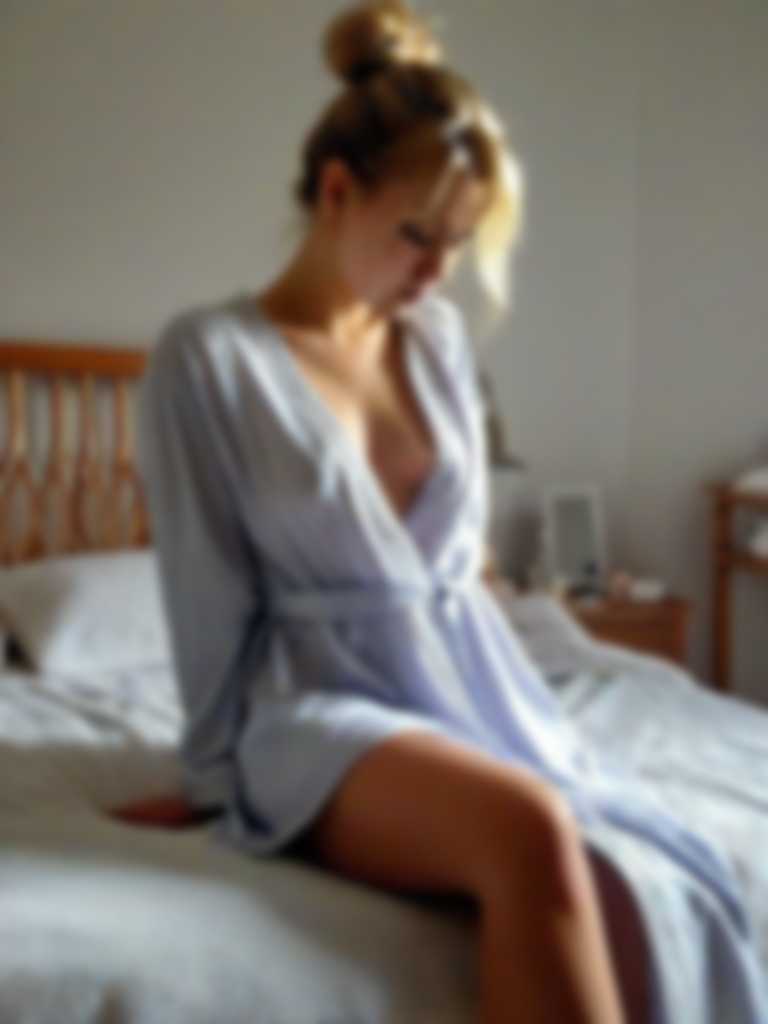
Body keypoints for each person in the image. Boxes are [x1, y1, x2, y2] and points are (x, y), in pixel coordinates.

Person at [137, 3, 767, 1023]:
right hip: (316, 709)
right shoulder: (209, 360)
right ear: (336, 193)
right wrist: (213, 782)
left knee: (623, 865)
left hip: (466, 687)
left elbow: (460, 561)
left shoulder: (435, 343)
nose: (438, 273)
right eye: (417, 236)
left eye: (461, 244)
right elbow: (207, 592)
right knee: (528, 831)